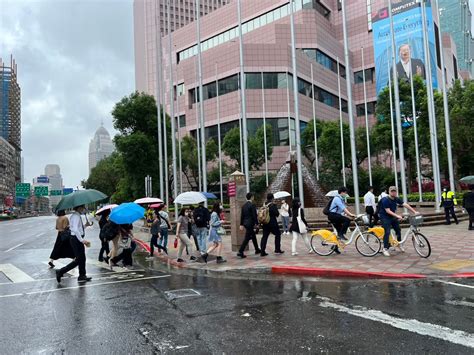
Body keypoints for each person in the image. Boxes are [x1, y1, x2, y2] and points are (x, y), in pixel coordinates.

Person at [56, 205, 93, 283]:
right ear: (79, 208)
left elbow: (77, 228)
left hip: (76, 239)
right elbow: (75, 230)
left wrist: (85, 225)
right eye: (83, 207)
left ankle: (82, 275)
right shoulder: (76, 216)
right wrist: (82, 240)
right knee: (79, 259)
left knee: (82, 258)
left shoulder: (76, 216)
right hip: (76, 239)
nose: (83, 209)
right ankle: (61, 271)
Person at [379, 186, 419, 257]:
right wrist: (397, 216)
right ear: (389, 192)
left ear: (396, 192)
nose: (393, 192)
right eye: (392, 191)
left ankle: (398, 244)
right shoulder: (385, 200)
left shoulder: (396, 199)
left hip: (392, 217)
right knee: (387, 231)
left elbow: (405, 204)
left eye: (394, 191)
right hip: (385, 217)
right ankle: (385, 249)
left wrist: (414, 211)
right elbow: (388, 211)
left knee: (398, 230)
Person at [327, 187, 356, 254]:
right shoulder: (337, 199)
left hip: (335, 216)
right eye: (345, 193)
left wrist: (351, 215)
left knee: (338, 231)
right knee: (347, 220)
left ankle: (335, 247)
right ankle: (341, 234)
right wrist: (350, 215)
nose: (346, 194)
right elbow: (343, 209)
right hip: (333, 215)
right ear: (342, 192)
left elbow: (344, 210)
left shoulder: (341, 199)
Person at [237, 192, 261, 258]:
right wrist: (257, 223)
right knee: (247, 238)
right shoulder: (252, 205)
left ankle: (257, 249)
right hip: (250, 223)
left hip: (245, 223)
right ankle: (240, 251)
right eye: (253, 196)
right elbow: (254, 215)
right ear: (252, 197)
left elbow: (242, 216)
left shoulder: (244, 205)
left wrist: (241, 224)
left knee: (253, 236)